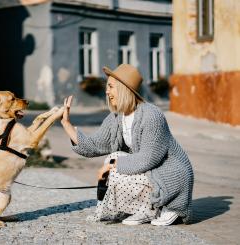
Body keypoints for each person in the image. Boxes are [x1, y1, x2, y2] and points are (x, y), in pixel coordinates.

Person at [60, 64, 194, 226]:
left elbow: (147, 159)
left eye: (111, 87)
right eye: (106, 87)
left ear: (124, 89)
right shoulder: (117, 117)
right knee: (113, 157)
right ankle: (146, 208)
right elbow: (94, 145)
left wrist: (111, 166)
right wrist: (67, 124)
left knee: (113, 162)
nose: (106, 91)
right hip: (151, 173)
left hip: (171, 176)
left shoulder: (152, 116)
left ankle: (165, 207)